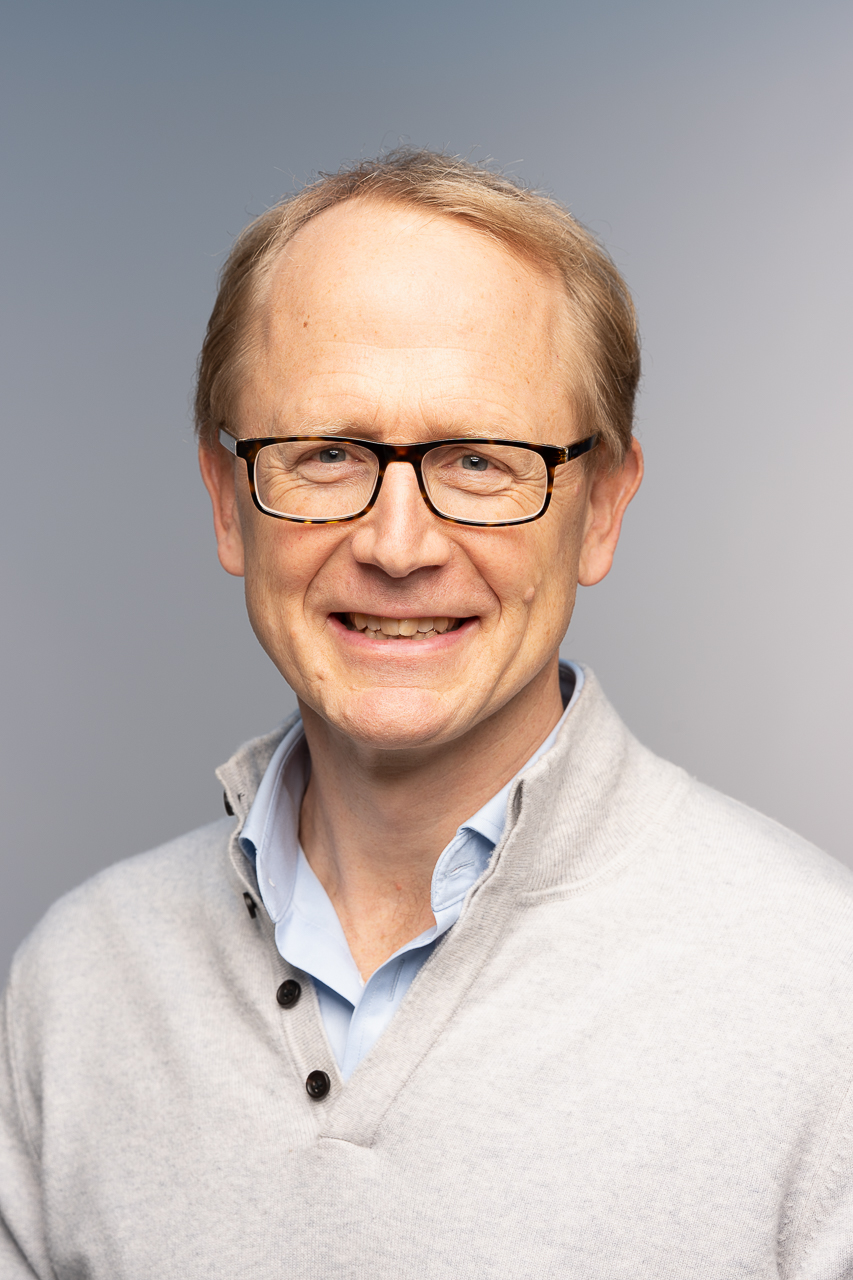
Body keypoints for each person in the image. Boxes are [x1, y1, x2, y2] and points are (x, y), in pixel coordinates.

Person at [1, 150, 852, 1280]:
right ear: (227, 502)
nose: (397, 546)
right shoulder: (76, 988)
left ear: (601, 507)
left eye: (479, 461)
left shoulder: (823, 994)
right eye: (325, 453)